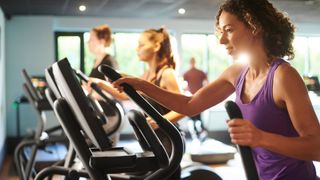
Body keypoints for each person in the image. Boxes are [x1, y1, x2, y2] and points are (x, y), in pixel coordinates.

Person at [112, 0, 320, 179]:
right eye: (221, 31)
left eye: (229, 30)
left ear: (254, 25)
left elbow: (316, 147)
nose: (221, 40)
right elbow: (190, 105)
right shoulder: (237, 72)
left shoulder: (284, 76)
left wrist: (260, 138)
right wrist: (141, 86)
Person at [89, 27, 184, 180]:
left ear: (156, 46)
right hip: (154, 138)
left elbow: (183, 108)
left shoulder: (167, 74)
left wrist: (160, 121)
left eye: (141, 44)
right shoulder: (147, 75)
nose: (137, 48)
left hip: (170, 141)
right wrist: (99, 83)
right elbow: (125, 96)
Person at [183, 57, 208, 133]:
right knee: (194, 116)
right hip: (191, 97)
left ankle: (199, 131)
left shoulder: (200, 72)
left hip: (199, 97)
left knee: (197, 116)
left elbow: (207, 83)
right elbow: (183, 85)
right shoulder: (186, 73)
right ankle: (198, 131)